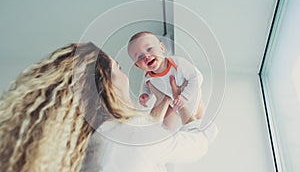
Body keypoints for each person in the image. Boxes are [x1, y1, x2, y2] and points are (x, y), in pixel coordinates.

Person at [0, 42, 217, 172]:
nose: (126, 76)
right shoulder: (132, 135)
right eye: (119, 69)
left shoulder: (81, 149)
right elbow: (199, 144)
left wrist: (160, 109)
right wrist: (188, 105)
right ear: (108, 85)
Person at [127, 31, 204, 127]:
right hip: (172, 102)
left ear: (162, 48)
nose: (146, 56)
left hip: (190, 95)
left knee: (197, 115)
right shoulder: (148, 76)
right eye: (140, 56)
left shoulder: (177, 63)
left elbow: (197, 76)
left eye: (149, 49)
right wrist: (146, 94)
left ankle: (198, 124)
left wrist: (184, 96)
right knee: (166, 125)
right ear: (138, 65)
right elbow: (146, 85)